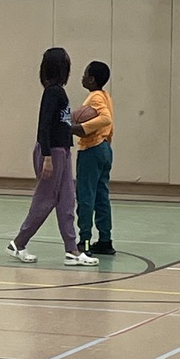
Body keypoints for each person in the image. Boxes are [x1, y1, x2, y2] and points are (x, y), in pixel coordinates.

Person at [6, 47, 98, 267]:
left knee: (67, 200)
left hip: (63, 150)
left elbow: (62, 122)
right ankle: (19, 243)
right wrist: (47, 155)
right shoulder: (52, 92)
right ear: (60, 66)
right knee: (45, 200)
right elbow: (43, 125)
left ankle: (72, 250)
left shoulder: (60, 92)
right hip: (52, 152)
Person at [71, 60, 115, 255]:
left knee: (86, 196)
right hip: (105, 148)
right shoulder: (106, 95)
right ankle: (105, 240)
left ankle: (85, 242)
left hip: (92, 149)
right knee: (101, 197)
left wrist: (80, 128)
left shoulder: (95, 97)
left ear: (91, 79)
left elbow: (106, 119)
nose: (82, 77)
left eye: (85, 74)